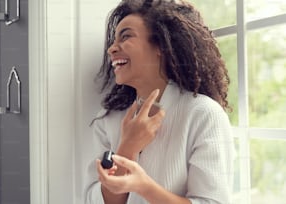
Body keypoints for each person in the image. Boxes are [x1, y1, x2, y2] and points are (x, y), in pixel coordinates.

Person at [84, 0, 234, 203]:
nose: (112, 48)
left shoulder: (203, 114)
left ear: (161, 46)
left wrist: (143, 187)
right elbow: (95, 200)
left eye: (125, 36)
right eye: (113, 40)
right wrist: (127, 147)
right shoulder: (107, 120)